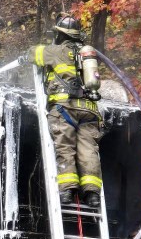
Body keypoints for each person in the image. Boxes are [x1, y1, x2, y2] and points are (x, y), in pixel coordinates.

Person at [25, 16, 103, 209]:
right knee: (89, 151)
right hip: (89, 110)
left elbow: (32, 53)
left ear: (60, 34)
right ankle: (92, 194)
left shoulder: (55, 51)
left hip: (64, 108)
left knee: (65, 147)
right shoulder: (87, 56)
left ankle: (68, 190)